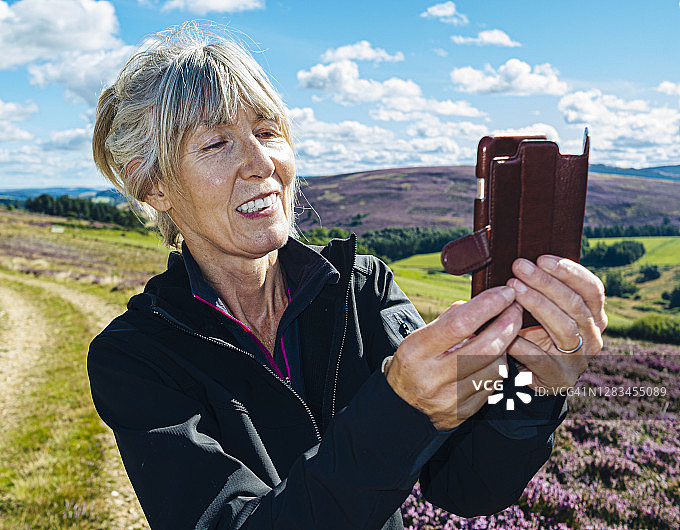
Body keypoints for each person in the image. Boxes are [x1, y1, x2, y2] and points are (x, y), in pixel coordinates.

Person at [87, 24, 606, 529]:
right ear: (153, 186)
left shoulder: (362, 287)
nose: (261, 162)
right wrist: (399, 409)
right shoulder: (136, 357)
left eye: (268, 132)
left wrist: (527, 386)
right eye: (216, 143)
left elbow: (466, 488)